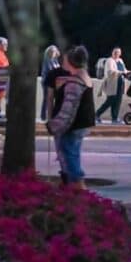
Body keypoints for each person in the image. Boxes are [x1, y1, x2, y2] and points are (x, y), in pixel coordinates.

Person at [46, 46, 96, 189]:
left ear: (71, 62)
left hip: (75, 124)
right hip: (83, 123)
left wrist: (54, 125)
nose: (63, 61)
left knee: (69, 153)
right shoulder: (84, 76)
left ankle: (77, 183)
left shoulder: (74, 82)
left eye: (66, 59)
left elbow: (68, 110)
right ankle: (73, 183)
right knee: (74, 152)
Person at [95, 48, 128, 124]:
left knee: (118, 101)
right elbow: (110, 71)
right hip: (112, 83)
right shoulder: (109, 60)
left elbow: (124, 69)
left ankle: (114, 118)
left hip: (120, 82)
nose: (116, 53)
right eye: (115, 52)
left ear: (120, 53)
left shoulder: (121, 60)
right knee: (110, 100)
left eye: (118, 52)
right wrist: (121, 72)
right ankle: (97, 114)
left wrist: (128, 72)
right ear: (112, 53)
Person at [40, 45, 61, 121]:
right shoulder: (48, 60)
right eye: (52, 51)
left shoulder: (55, 60)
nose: (54, 53)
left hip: (53, 83)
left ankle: (52, 115)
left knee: (54, 99)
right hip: (46, 82)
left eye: (55, 51)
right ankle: (43, 116)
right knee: (46, 98)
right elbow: (51, 70)